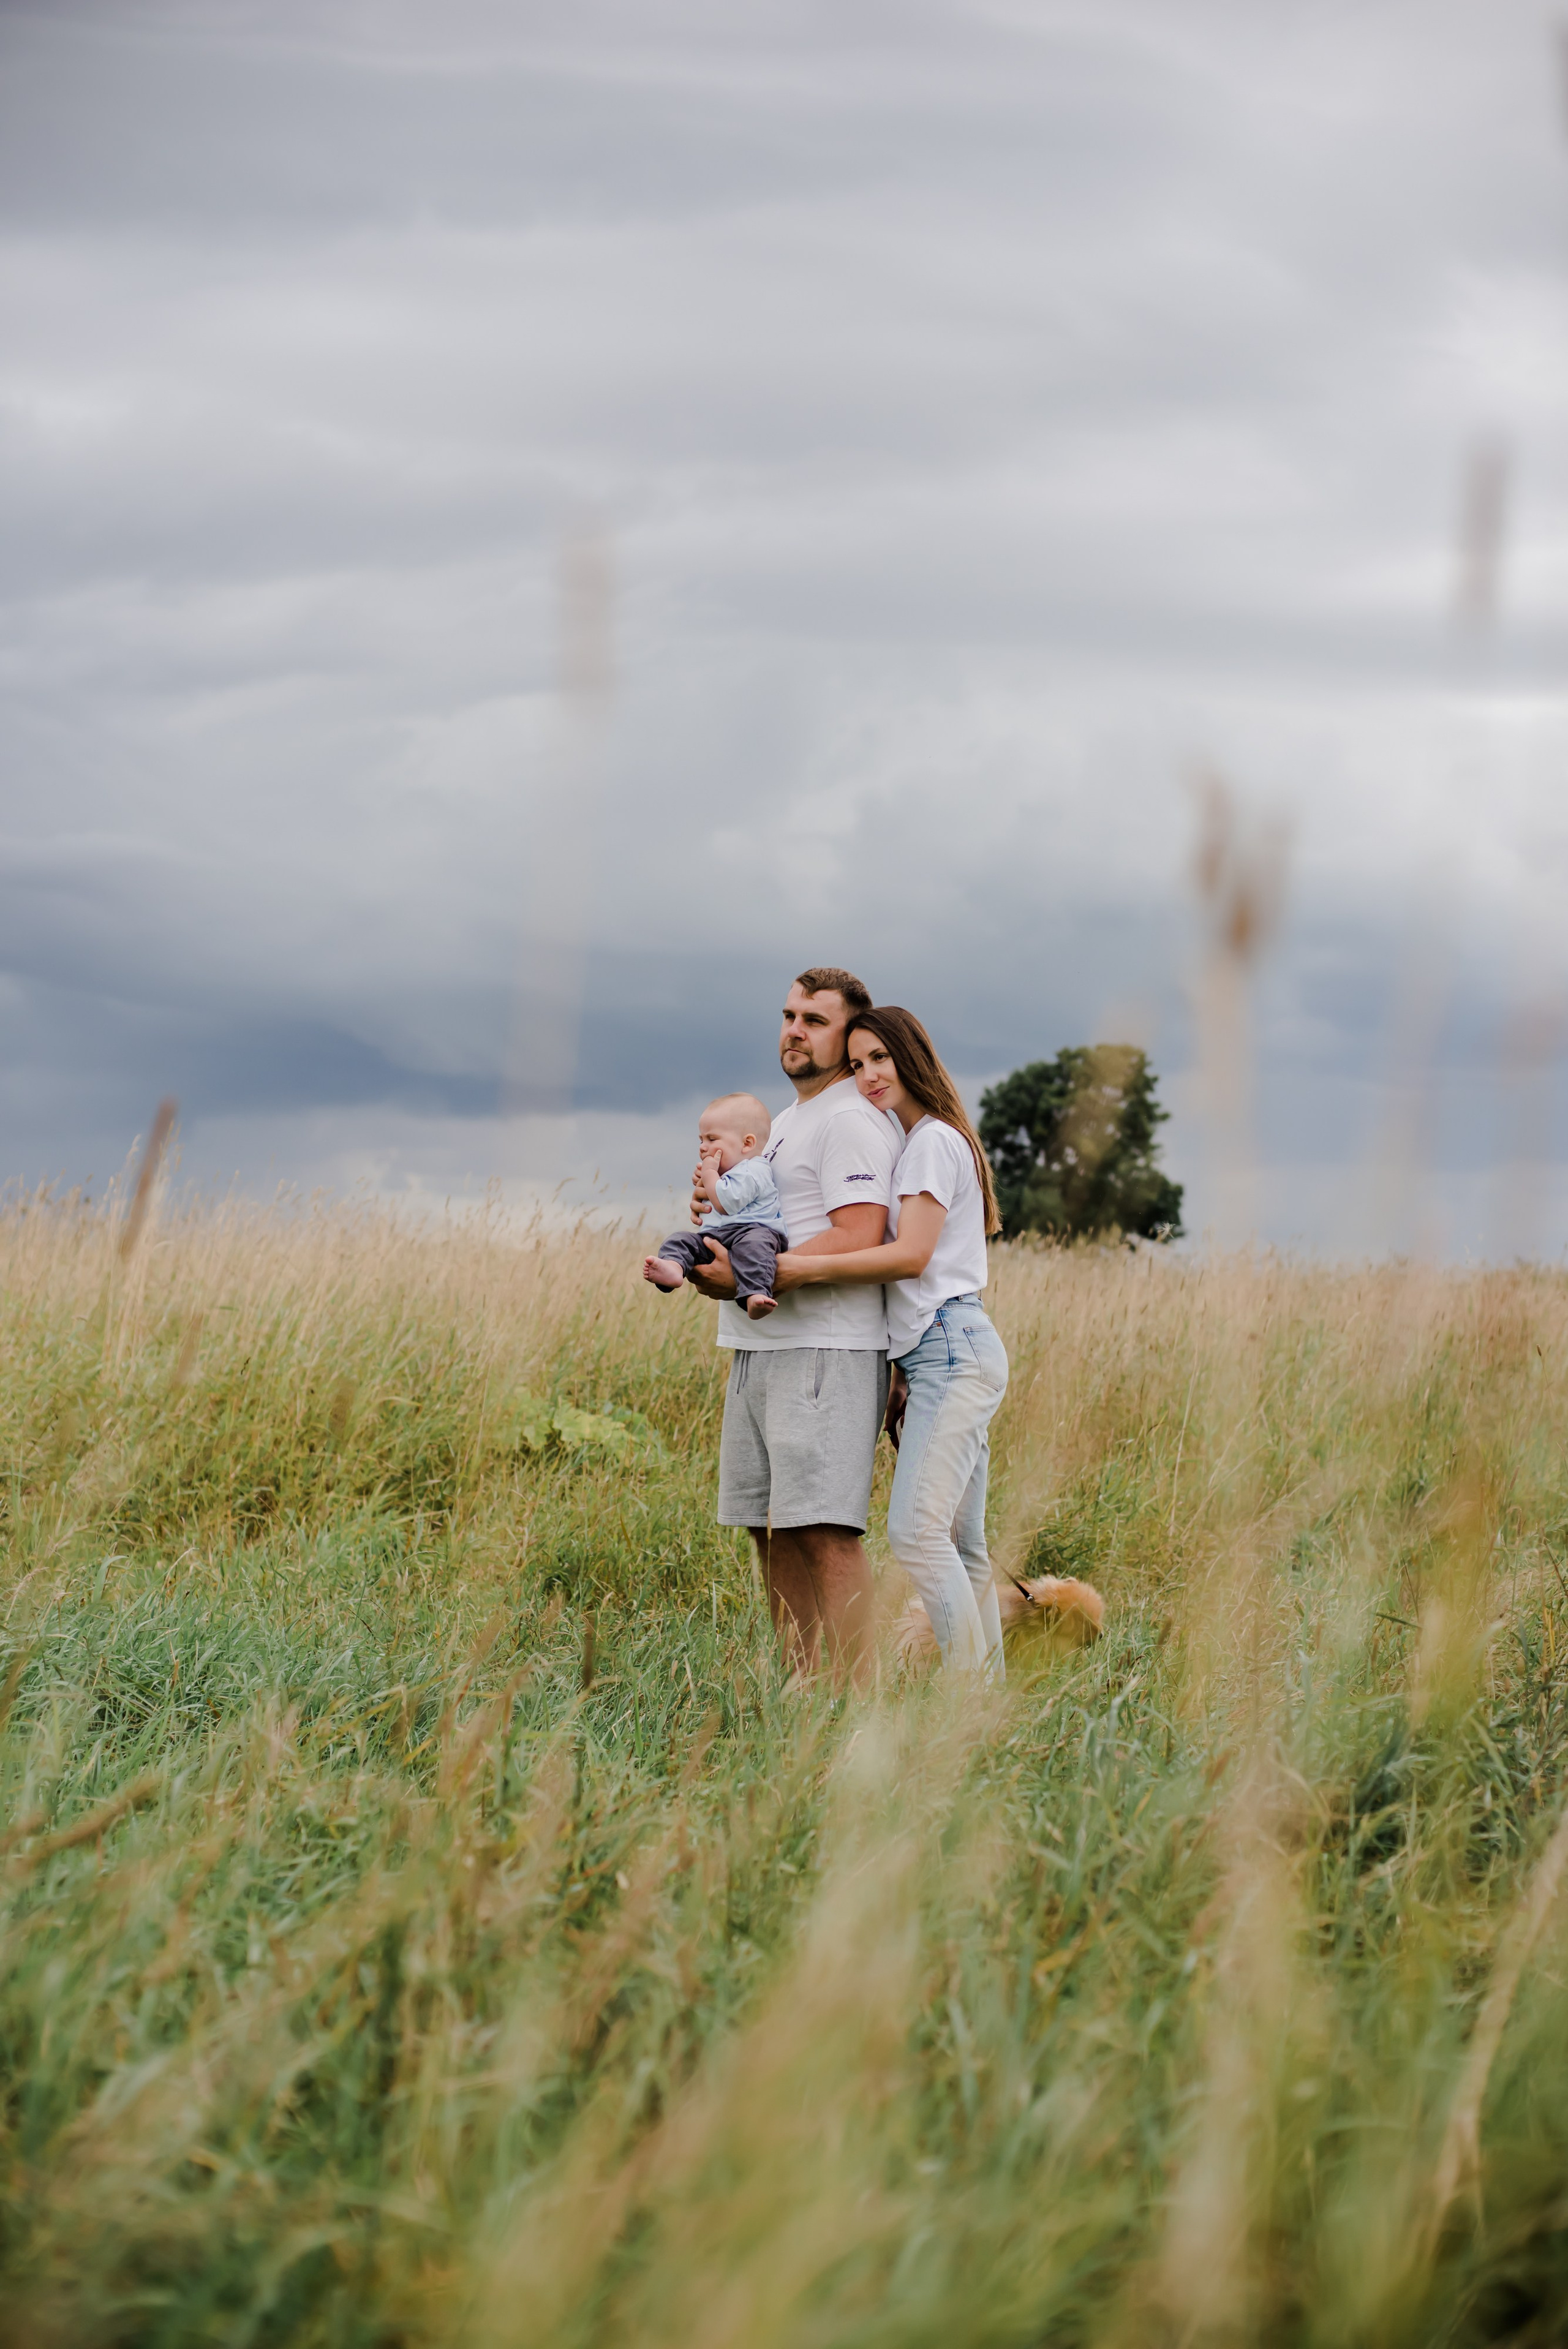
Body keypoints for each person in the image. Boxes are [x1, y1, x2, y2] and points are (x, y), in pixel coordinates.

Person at [774, 1006, 1009, 1680]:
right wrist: (900, 1369)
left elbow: (911, 1257)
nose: (870, 1075)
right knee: (963, 1544)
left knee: (915, 1532)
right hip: (943, 1348)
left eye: (880, 1057)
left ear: (912, 1054)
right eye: (857, 1065)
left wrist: (800, 1267)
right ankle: (986, 1702)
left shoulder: (932, 1140)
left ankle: (969, 1701)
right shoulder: (923, 1141)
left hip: (951, 1347)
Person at [684, 968, 898, 1684]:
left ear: (850, 1036)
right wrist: (717, 1228)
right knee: (767, 1526)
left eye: (814, 1019)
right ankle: (803, 1690)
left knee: (823, 1529)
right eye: (788, 1014)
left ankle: (861, 1702)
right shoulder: (783, 1125)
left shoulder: (849, 1120)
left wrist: (754, 1275)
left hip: (824, 1348)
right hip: (758, 1346)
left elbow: (861, 1232)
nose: (794, 1030)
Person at [642, 1093, 787, 1319]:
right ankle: (674, 1267)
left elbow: (726, 1204)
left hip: (754, 1231)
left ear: (747, 1143)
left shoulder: (755, 1170)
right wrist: (706, 1180)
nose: (703, 1147)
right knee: (681, 1239)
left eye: (712, 1139)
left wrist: (709, 1175)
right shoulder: (728, 1172)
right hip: (717, 1236)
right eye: (701, 1140)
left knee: (755, 1250)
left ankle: (756, 1293)